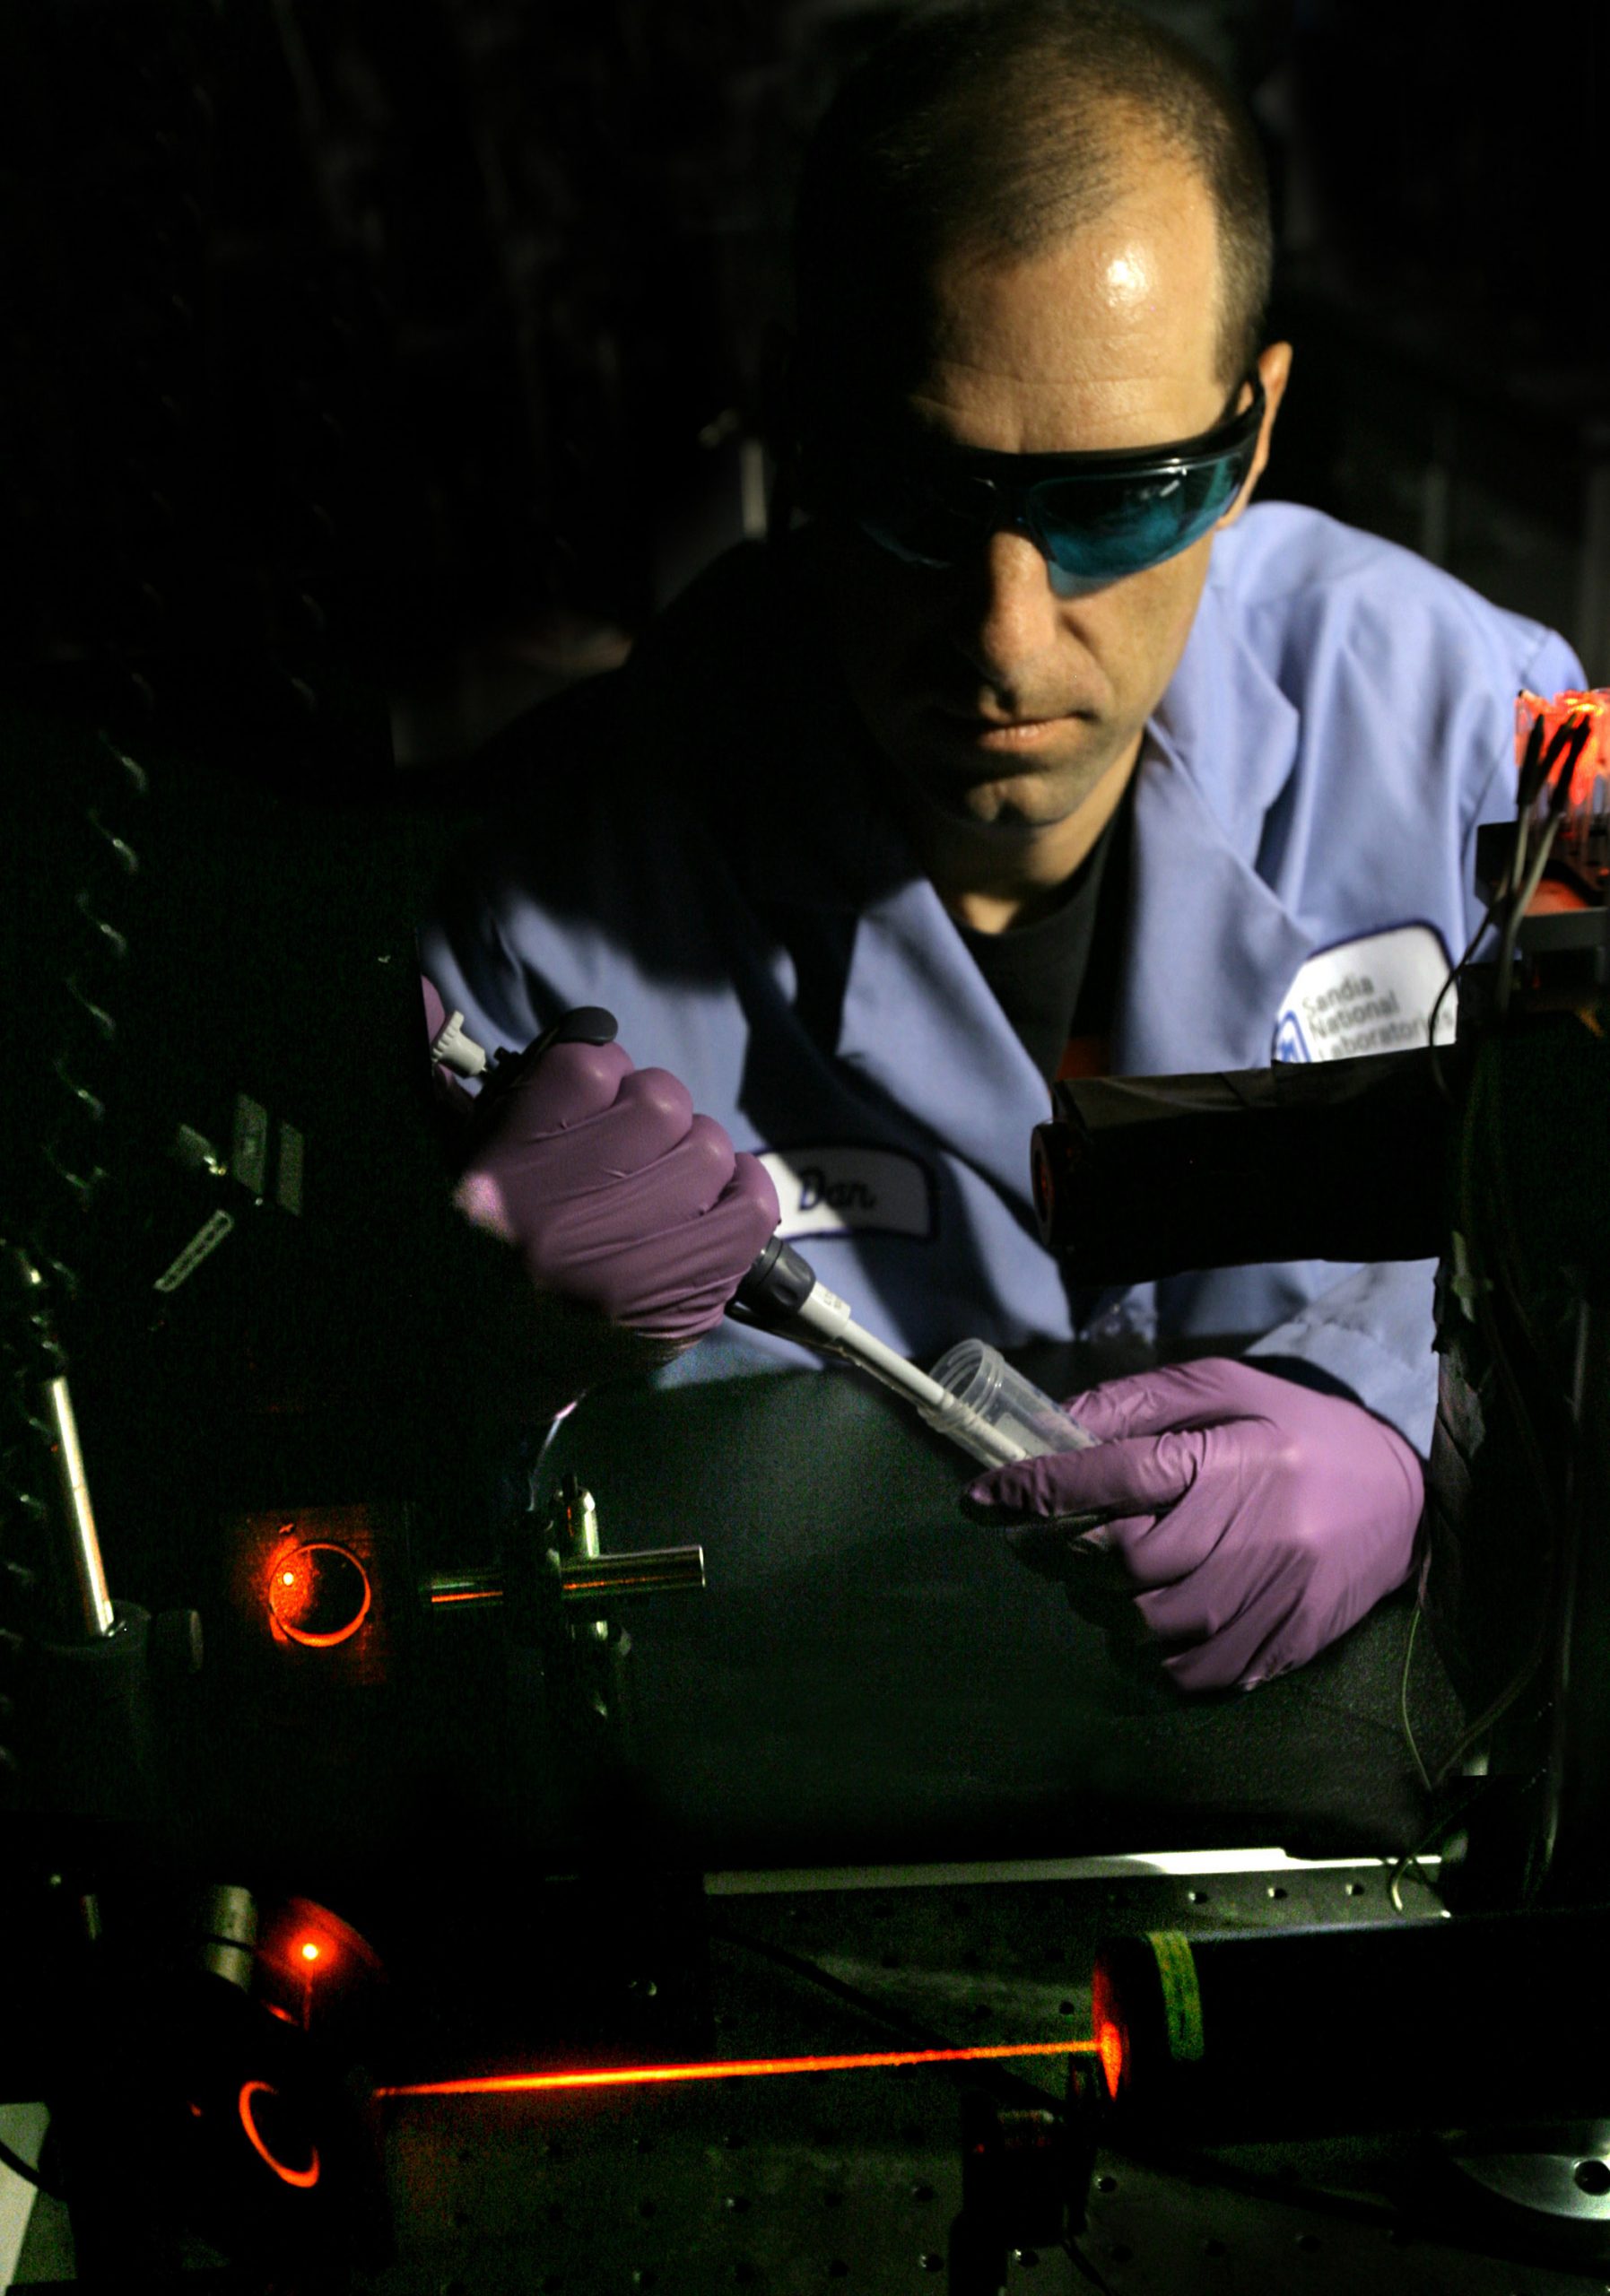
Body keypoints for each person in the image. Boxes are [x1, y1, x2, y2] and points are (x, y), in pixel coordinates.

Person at [420, 0, 1584, 1695]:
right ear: (804, 423)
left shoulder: (1479, 741)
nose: (1010, 640)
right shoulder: (557, 906)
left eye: (1123, 500)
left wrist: (1405, 1437)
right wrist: (484, 1329)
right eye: (923, 495)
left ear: (1252, 433)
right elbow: (380, 1536)